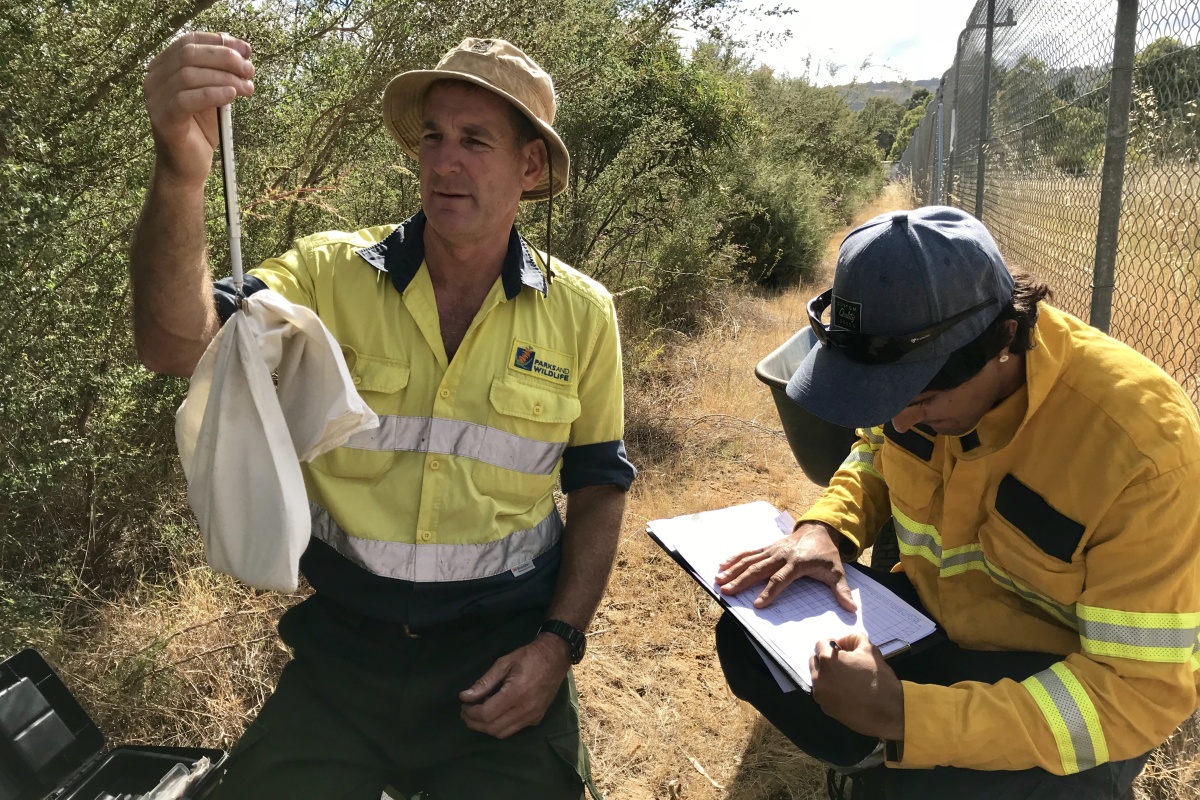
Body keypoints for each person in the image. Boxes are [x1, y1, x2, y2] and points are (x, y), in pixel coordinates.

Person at [130, 32, 635, 800]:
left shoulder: (584, 315)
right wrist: (181, 173)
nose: (443, 161)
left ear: (530, 167)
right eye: (433, 136)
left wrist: (557, 647)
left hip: (499, 659)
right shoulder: (331, 274)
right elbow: (173, 345)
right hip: (342, 661)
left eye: (474, 140)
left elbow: (599, 488)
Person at [713, 206, 1200, 799]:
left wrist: (909, 720)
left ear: (1006, 342)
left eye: (924, 399)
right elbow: (874, 451)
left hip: (1054, 685)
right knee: (748, 640)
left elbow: (1136, 694)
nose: (898, 419)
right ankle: (884, 765)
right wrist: (827, 528)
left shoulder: (1146, 452)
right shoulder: (920, 397)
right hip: (935, 626)